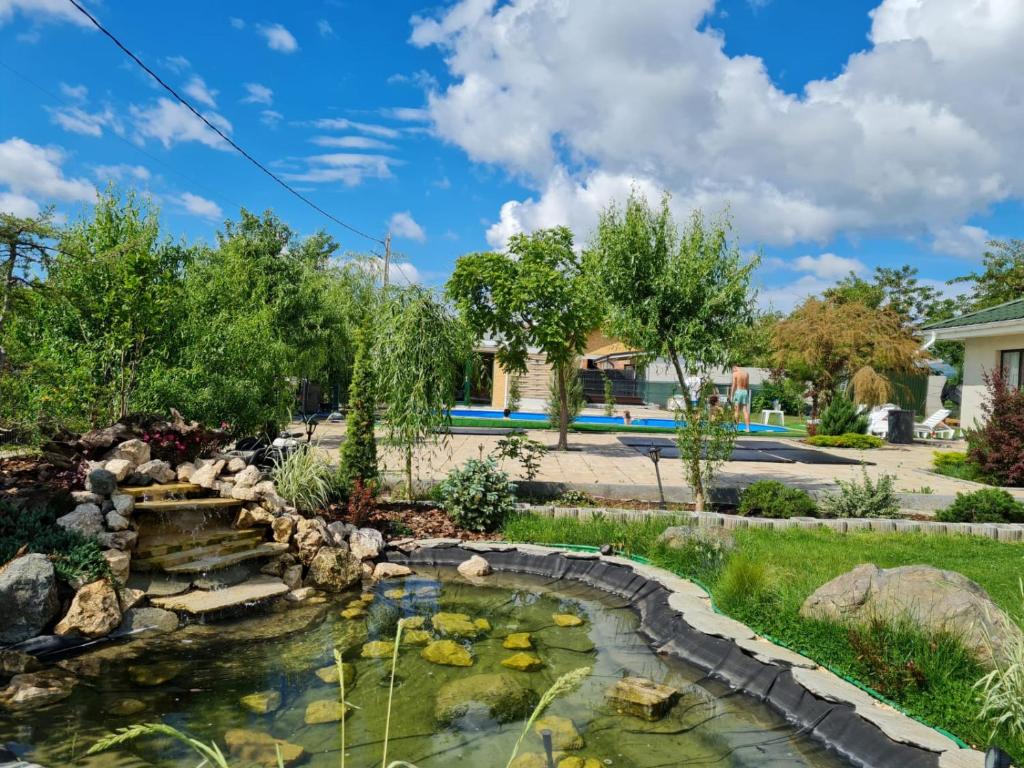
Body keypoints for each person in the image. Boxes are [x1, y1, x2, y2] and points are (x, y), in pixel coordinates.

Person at [730, 365, 751, 432]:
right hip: (745, 391)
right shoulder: (746, 373)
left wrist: (731, 395)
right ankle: (748, 428)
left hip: (738, 391)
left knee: (737, 410)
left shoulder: (735, 373)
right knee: (745, 410)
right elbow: (747, 385)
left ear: (734, 368)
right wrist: (746, 393)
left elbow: (733, 385)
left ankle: (736, 428)